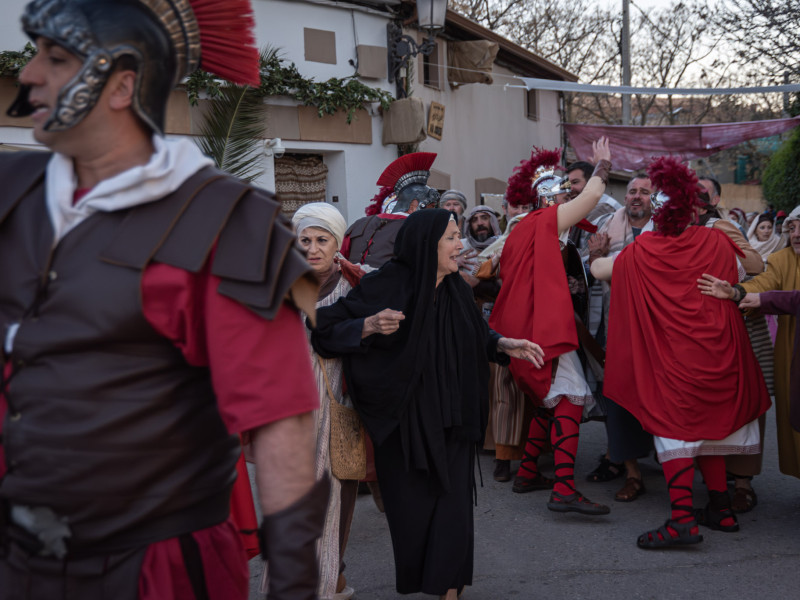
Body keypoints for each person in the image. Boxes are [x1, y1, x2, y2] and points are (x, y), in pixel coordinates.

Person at [0, 1, 327, 598]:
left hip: (155, 570)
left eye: (55, 58)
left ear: (121, 84)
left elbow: (279, 422)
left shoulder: (225, 224)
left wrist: (294, 585)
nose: (28, 75)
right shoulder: (10, 195)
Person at [312, 209, 544, 599]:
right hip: (403, 424)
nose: (460, 245)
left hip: (454, 416)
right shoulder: (387, 285)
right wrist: (367, 326)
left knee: (454, 509)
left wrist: (502, 344)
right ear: (426, 244)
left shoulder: (455, 287)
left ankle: (450, 591)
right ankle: (435, 581)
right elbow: (321, 327)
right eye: (452, 238)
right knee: (414, 514)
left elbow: (474, 332)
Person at [597, 157, 771, 549]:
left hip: (673, 362)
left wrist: (595, 258)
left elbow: (601, 272)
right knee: (709, 435)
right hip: (719, 358)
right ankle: (721, 510)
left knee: (676, 435)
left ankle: (681, 521)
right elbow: (751, 268)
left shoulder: (642, 251)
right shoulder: (716, 240)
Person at [489, 139, 613, 515]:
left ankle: (527, 471)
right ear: (550, 201)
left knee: (549, 403)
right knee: (570, 398)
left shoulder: (524, 231)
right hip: (541, 332)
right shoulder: (542, 222)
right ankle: (563, 488)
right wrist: (602, 166)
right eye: (562, 196)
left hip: (528, 329)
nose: (566, 201)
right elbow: (590, 198)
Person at [291, 203, 366, 600]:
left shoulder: (355, 283)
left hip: (337, 402)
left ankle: (328, 578)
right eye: (305, 239)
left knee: (335, 495)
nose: (312, 247)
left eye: (322, 239)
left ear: (338, 243)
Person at [697, 206, 800, 481]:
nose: (797, 234)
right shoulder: (781, 259)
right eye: (792, 228)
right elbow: (763, 284)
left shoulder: (721, 227)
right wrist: (736, 291)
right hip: (792, 350)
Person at [584, 174, 655, 502]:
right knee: (618, 398)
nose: (637, 197)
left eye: (644, 191)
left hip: (656, 330)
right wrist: (592, 258)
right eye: (632, 191)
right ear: (625, 197)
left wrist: (600, 261)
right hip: (615, 327)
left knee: (658, 398)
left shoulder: (665, 229)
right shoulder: (607, 227)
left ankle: (674, 464)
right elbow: (589, 276)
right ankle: (633, 474)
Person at [341, 152, 440, 268]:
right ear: (414, 205)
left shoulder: (358, 224)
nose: (434, 213)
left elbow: (341, 260)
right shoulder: (418, 231)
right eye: (431, 206)